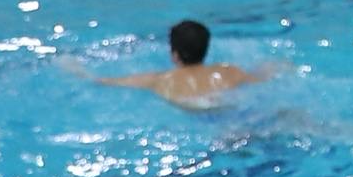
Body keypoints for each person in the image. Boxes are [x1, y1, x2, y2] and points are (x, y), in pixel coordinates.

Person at [69, 19, 275, 110]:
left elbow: (103, 81)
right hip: (229, 106)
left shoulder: (160, 79)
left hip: (196, 109)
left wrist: (74, 68)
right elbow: (263, 76)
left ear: (174, 55)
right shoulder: (229, 71)